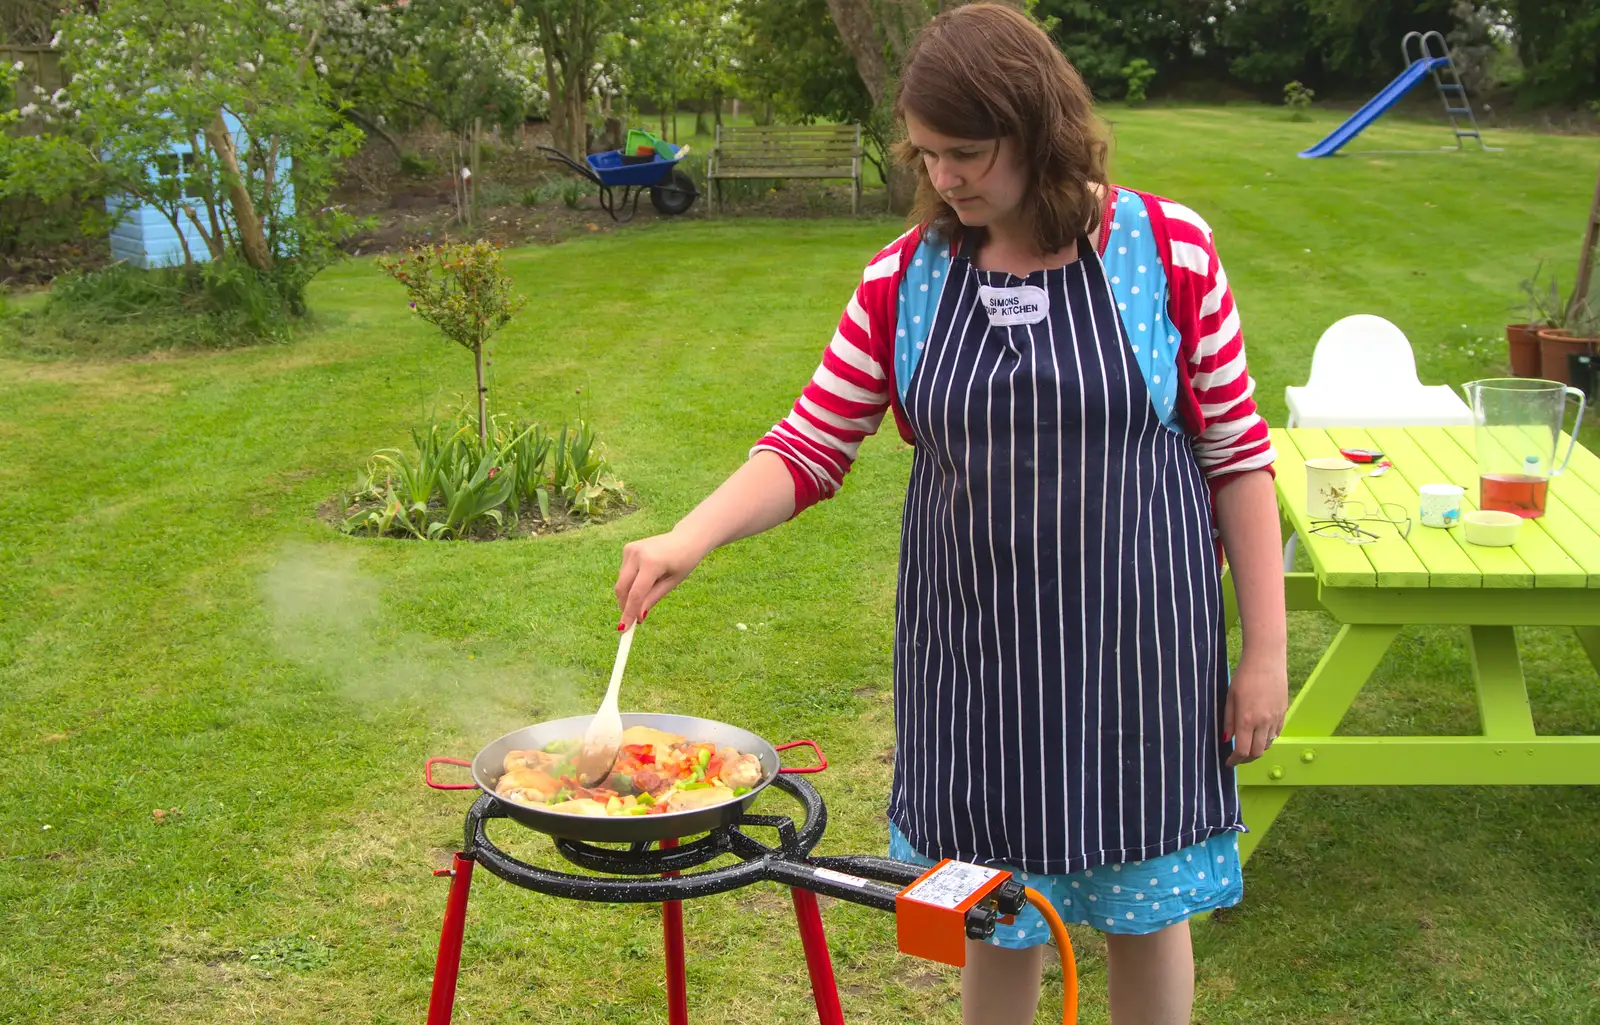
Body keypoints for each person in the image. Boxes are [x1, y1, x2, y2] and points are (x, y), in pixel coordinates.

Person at [613, 5, 1287, 1022]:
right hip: (975, 671)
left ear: (1040, 129)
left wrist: (1264, 655)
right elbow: (810, 440)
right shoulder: (904, 279)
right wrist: (687, 533)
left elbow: (1237, 456)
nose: (944, 180)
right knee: (987, 911)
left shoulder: (1170, 251)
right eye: (926, 156)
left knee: (1146, 913)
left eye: (966, 153)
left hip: (1141, 658)